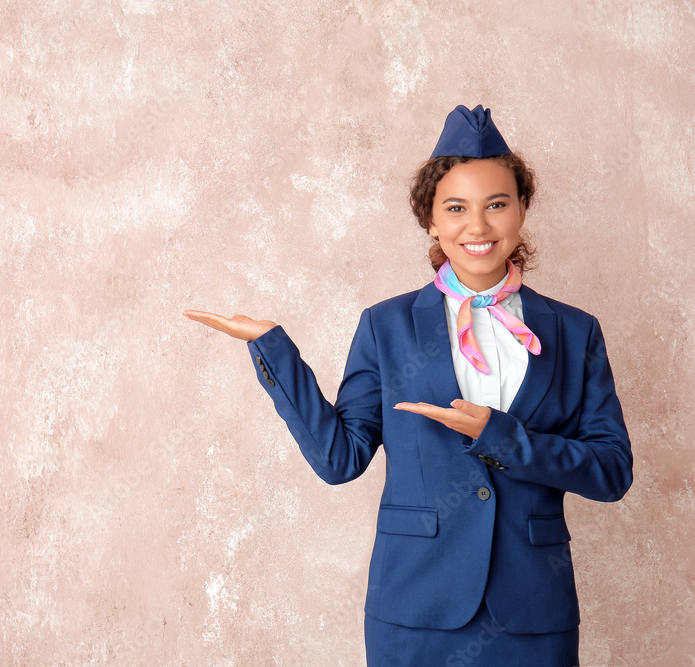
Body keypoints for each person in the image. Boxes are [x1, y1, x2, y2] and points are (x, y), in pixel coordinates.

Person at [182, 105, 632, 666]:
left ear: (522, 210)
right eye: (456, 208)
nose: (478, 225)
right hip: (415, 608)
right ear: (432, 222)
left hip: (532, 612)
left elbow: (612, 472)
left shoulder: (574, 331)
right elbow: (339, 458)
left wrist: (505, 438)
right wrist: (273, 346)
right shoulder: (386, 326)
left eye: (496, 204)